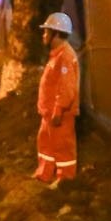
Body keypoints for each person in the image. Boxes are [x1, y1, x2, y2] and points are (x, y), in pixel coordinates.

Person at [34, 12, 80, 186]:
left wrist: (58, 110)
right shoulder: (57, 55)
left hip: (59, 115)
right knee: (46, 143)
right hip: (49, 114)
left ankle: (65, 179)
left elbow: (67, 88)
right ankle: (44, 173)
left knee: (62, 146)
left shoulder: (65, 56)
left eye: (47, 32)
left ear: (56, 33)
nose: (44, 35)